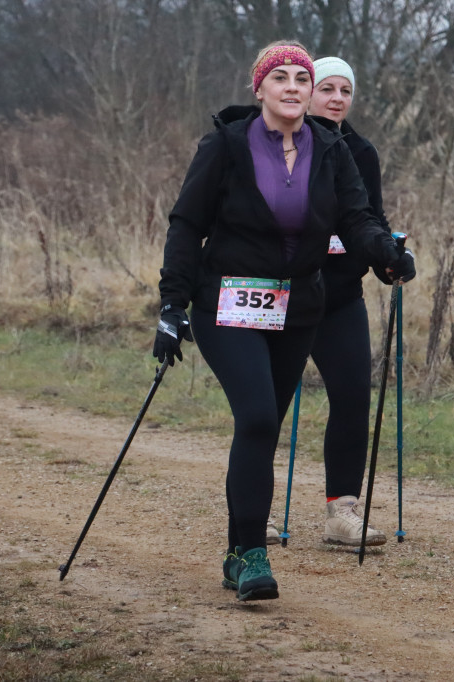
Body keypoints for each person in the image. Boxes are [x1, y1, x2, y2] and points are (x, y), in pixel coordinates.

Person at [153, 42, 416, 602]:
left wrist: (386, 254)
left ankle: (234, 549)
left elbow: (358, 216)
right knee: (255, 416)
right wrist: (172, 306)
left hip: (298, 305)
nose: (294, 87)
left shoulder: (331, 149)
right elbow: (185, 224)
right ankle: (251, 555)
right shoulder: (225, 145)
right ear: (261, 89)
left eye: (303, 77)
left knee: (265, 425)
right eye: (282, 78)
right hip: (227, 301)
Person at [306, 56, 400, 547]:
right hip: (286, 293)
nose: (337, 98)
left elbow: (370, 219)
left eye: (345, 89)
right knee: (266, 405)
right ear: (306, 91)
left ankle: (342, 511)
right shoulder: (285, 143)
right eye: (327, 88)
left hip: (341, 295)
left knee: (352, 398)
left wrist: (387, 257)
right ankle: (251, 515)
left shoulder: (361, 151)